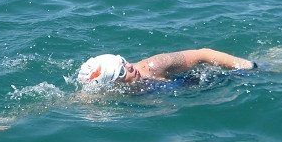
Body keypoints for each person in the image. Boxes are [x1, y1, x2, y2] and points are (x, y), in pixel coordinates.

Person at [77, 49, 257, 89]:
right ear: (111, 85)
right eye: (122, 72)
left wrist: (249, 67)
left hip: (220, 78)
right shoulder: (110, 93)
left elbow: (203, 54)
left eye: (123, 62)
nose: (130, 67)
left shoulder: (155, 66)